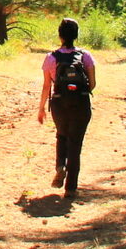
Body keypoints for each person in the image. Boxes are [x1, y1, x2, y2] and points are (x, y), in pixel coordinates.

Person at [37, 17, 96, 199]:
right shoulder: (86, 56)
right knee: (75, 144)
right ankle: (71, 188)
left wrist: (41, 109)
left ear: (60, 35)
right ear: (76, 35)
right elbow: (92, 84)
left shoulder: (51, 58)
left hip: (59, 103)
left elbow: (47, 86)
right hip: (81, 103)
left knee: (61, 135)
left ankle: (60, 166)